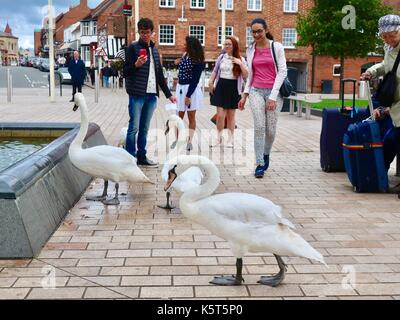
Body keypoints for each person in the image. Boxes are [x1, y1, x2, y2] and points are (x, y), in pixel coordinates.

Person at [238, 18, 287, 178]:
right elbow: (251, 74)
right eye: (253, 31)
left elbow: (282, 72)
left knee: (270, 130)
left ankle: (266, 154)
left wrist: (273, 96)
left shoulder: (277, 47)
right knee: (259, 127)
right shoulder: (251, 49)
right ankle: (259, 163)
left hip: (274, 92)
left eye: (259, 31)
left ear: (266, 30)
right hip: (256, 91)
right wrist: (245, 95)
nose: (257, 34)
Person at [123, 18, 176, 167]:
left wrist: (169, 94)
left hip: (152, 96)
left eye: (148, 32)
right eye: (142, 32)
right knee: (134, 127)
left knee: (145, 129)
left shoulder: (155, 50)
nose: (145, 35)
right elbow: (125, 72)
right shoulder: (132, 48)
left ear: (153, 32)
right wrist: (136, 65)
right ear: (138, 32)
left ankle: (141, 157)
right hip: (137, 94)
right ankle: (129, 159)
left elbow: (159, 75)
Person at [361, 14, 400, 171]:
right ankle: (379, 175)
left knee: (392, 139)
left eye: (393, 35)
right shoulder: (389, 48)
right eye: (385, 37)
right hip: (395, 103)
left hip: (396, 106)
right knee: (392, 139)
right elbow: (387, 65)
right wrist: (371, 71)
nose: (389, 39)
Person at [209, 36, 248, 148]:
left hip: (233, 88)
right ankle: (219, 138)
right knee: (220, 115)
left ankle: (230, 140)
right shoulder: (221, 57)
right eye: (225, 44)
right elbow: (215, 71)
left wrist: (240, 63)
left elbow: (246, 75)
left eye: (229, 44)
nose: (226, 46)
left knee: (231, 116)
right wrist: (211, 82)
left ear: (234, 45)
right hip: (221, 87)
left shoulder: (240, 59)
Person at [175, 36, 205, 152]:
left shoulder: (198, 61)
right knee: (179, 116)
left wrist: (188, 96)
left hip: (190, 90)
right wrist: (178, 61)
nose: (183, 45)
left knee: (191, 117)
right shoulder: (185, 55)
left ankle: (189, 141)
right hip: (180, 88)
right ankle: (178, 141)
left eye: (185, 44)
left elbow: (195, 81)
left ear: (190, 46)